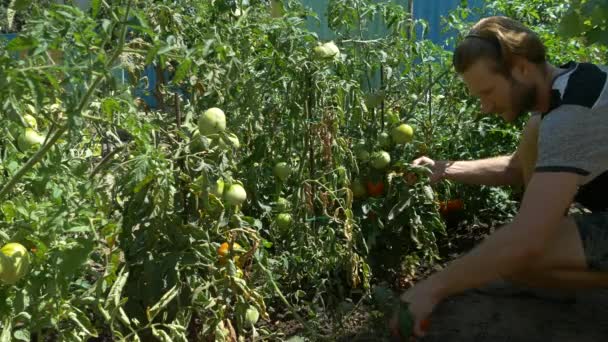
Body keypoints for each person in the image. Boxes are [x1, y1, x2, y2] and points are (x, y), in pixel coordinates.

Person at [390, 15, 608, 339]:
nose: (485, 107)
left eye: (488, 92)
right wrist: (444, 168)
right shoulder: (570, 85)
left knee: (518, 258)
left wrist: (431, 288)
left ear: (520, 68)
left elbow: (526, 240)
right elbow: (518, 167)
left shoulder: (572, 115)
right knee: (535, 133)